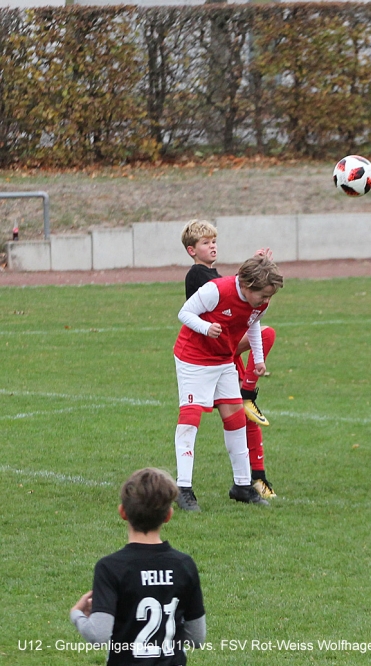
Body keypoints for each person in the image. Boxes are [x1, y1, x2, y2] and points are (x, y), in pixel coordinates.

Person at [173, 253, 283, 510]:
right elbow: (184, 312)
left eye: (269, 296)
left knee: (235, 417)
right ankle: (183, 488)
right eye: (263, 295)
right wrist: (205, 328)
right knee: (190, 418)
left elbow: (253, 324)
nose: (266, 301)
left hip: (223, 360)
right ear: (245, 285)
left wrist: (258, 358)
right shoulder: (216, 290)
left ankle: (242, 486)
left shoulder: (260, 303)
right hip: (193, 358)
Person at [70, 468, 206, 664]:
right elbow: (197, 638)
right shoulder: (184, 565)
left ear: (122, 512)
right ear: (168, 515)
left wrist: (76, 614)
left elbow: (99, 635)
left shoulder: (110, 567)